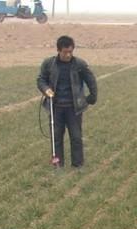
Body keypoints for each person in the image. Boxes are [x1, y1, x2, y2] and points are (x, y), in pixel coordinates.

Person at [37, 35, 98, 169]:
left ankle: (78, 165)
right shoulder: (49, 64)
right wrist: (46, 89)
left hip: (74, 108)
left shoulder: (79, 64)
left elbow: (91, 80)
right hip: (56, 108)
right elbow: (41, 79)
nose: (68, 55)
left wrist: (92, 97)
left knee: (76, 137)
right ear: (59, 50)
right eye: (65, 52)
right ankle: (58, 164)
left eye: (71, 51)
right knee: (56, 137)